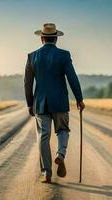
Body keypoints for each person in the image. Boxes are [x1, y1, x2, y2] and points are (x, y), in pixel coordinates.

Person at [24, 23, 85, 183]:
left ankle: (47, 173)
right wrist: (79, 99)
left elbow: (27, 83)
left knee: (43, 136)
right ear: (56, 38)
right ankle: (61, 154)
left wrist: (30, 104)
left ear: (42, 38)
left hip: (41, 103)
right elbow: (73, 78)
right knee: (63, 130)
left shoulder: (32, 56)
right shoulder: (64, 55)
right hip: (60, 102)